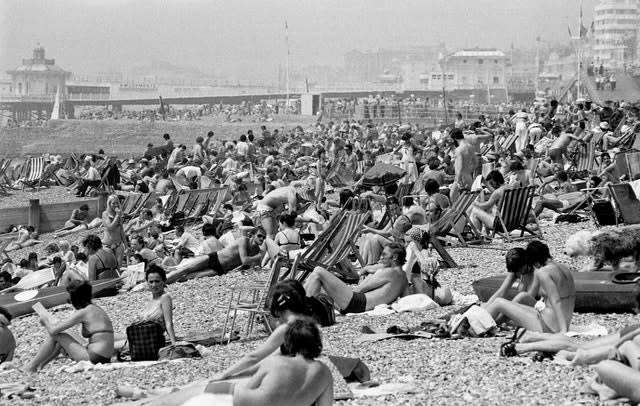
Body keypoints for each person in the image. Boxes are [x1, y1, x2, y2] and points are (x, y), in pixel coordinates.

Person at [147, 318, 332, 406]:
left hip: (229, 400)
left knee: (190, 393)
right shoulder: (324, 372)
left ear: (290, 341)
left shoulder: (276, 363)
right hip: (233, 399)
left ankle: (148, 400)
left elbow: (250, 387)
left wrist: (225, 376)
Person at [485, 241, 575, 340]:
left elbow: (556, 301)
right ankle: (483, 317)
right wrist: (565, 326)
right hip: (560, 321)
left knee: (499, 303)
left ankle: (475, 323)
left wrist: (563, 331)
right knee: (512, 300)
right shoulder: (564, 269)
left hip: (548, 326)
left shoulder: (543, 273)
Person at [26, 280, 114, 372]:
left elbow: (53, 331)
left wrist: (45, 321)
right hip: (104, 357)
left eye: (70, 300)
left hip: (94, 357)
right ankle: (40, 366)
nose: (71, 303)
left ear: (76, 299)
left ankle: (31, 366)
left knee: (56, 336)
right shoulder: (96, 309)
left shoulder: (84, 312)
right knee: (63, 337)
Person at [304, 243, 408, 314]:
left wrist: (363, 279)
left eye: (384, 254)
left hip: (356, 303)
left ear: (394, 257)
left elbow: (359, 289)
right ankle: (300, 308)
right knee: (316, 279)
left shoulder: (389, 272)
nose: (381, 257)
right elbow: (405, 300)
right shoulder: (404, 278)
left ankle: (300, 310)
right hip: (359, 305)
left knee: (318, 271)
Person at [167, 226, 266, 280]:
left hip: (221, 270)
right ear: (253, 235)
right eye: (260, 236)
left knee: (189, 277)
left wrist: (258, 261)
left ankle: (168, 280)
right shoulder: (244, 241)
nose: (262, 239)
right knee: (185, 269)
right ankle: (163, 281)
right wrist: (259, 256)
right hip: (214, 258)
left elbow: (256, 267)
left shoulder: (256, 250)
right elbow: (245, 260)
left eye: (264, 237)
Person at [136, 265, 176, 344]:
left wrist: (174, 343)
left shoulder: (165, 298)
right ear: (147, 282)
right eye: (151, 282)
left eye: (157, 281)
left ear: (163, 281)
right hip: (139, 335)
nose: (154, 285)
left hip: (151, 341)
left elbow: (168, 323)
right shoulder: (148, 299)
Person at [469, 170, 509, 235]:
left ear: (496, 181)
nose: (491, 185)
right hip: (513, 221)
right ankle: (484, 234)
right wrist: (486, 184)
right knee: (488, 210)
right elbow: (495, 194)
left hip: (501, 224)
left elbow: (485, 206)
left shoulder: (498, 192)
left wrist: (475, 203)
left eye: (491, 183)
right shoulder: (511, 187)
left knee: (474, 211)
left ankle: (478, 236)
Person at [102, 195, 126, 268]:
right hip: (107, 245)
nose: (115, 205)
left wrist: (126, 245)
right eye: (113, 203)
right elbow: (110, 227)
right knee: (109, 268)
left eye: (117, 203)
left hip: (118, 244)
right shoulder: (105, 214)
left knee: (119, 267)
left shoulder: (119, 214)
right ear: (109, 204)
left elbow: (121, 230)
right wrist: (117, 215)